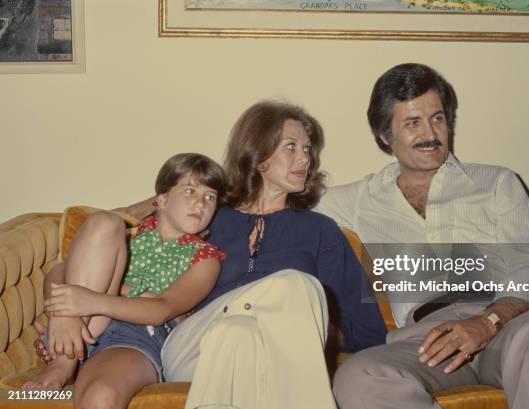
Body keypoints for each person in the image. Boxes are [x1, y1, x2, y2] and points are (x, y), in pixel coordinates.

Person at [33, 101, 387, 409]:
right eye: (291, 147)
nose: (305, 159)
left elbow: (368, 330)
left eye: (308, 149)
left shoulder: (320, 230)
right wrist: (65, 313)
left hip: (261, 353)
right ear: (258, 154)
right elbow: (104, 236)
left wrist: (302, 324)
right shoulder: (208, 214)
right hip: (189, 348)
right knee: (293, 284)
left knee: (252, 322)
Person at [317, 63, 529, 409]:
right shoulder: (359, 200)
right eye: (413, 123)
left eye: (437, 118)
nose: (431, 134)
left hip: (505, 328)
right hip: (425, 341)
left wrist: (488, 322)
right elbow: (279, 202)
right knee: (357, 376)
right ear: (385, 136)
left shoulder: (497, 183)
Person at [24, 153, 227, 409]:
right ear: (161, 199)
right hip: (85, 322)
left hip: (136, 336)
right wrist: (62, 315)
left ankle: (68, 355)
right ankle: (63, 362)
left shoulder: (205, 259)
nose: (201, 203)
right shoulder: (126, 236)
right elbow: (58, 272)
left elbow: (160, 309)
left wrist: (92, 300)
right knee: (104, 221)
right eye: (190, 191)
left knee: (101, 397)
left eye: (211, 197)